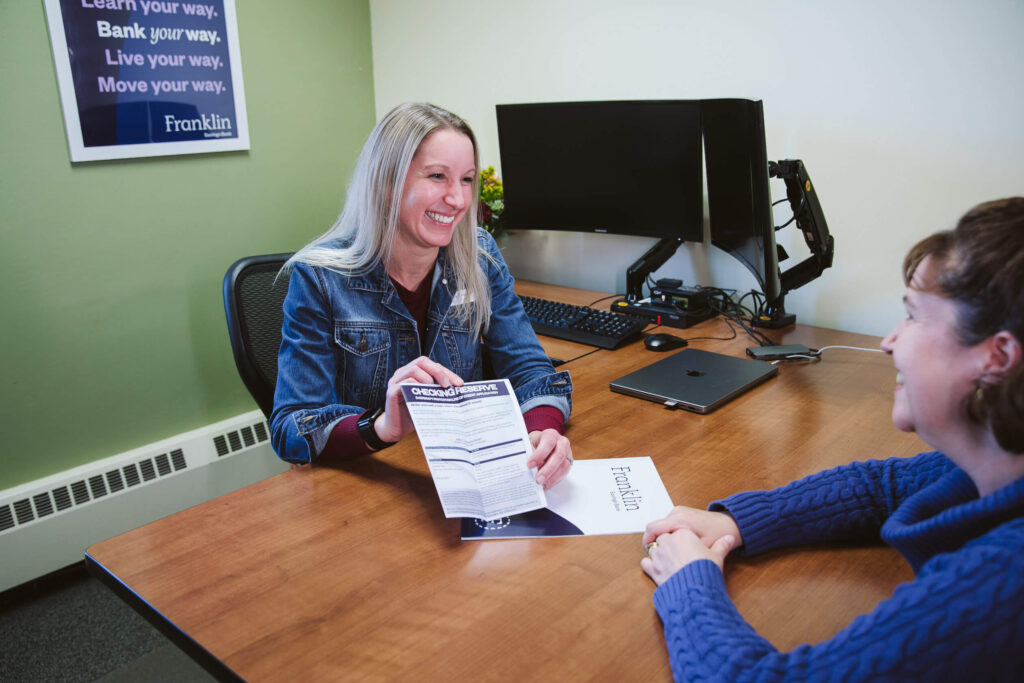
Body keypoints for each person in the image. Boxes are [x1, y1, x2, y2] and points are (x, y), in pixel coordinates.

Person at [640, 197, 1024, 681]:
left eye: (913, 316)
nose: (889, 341)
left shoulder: (1005, 583)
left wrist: (689, 582)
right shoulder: (996, 461)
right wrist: (738, 522)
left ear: (997, 358)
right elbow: (882, 486)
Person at [270, 103, 574, 489]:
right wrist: (380, 426)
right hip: (368, 487)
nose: (458, 200)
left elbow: (530, 369)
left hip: (464, 477)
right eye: (437, 176)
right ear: (386, 182)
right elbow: (291, 426)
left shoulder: (479, 254)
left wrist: (543, 430)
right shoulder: (319, 277)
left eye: (466, 180)